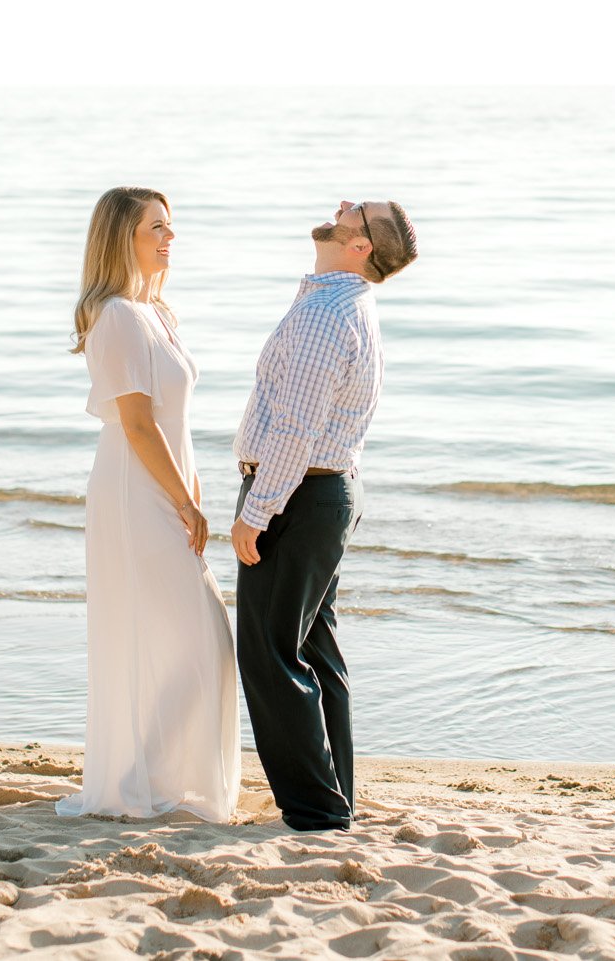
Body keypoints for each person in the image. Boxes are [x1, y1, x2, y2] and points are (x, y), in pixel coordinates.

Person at [230, 199, 418, 832]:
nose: (339, 208)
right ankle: (334, 798)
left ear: (361, 245)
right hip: (323, 492)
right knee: (313, 648)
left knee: (270, 654)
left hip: (297, 494)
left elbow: (294, 431)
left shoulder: (324, 314)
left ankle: (316, 810)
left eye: (354, 212)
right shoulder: (344, 305)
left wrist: (256, 511)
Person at [57, 186, 239, 822]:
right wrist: (185, 501)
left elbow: (169, 419)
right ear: (121, 240)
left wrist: (192, 487)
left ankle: (147, 772)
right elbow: (137, 425)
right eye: (154, 228)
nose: (169, 238)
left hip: (161, 482)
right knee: (205, 635)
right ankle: (136, 777)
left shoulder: (155, 312)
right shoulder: (116, 316)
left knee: (199, 637)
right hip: (137, 492)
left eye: (170, 226)